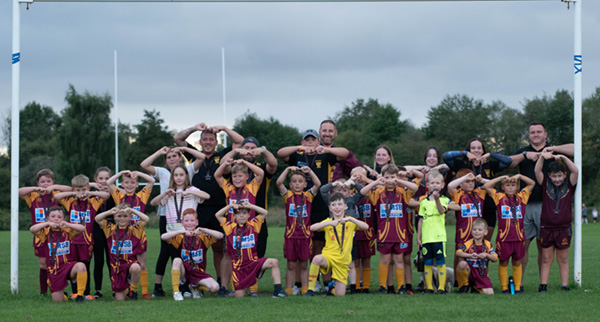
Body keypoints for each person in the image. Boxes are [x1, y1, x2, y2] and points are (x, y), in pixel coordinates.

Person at [277, 129, 349, 291]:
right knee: (297, 247)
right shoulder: (297, 155)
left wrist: (325, 149)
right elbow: (281, 153)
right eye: (306, 140)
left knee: (320, 244)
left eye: (313, 140)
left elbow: (345, 153)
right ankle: (298, 284)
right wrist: (298, 148)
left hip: (319, 204)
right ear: (302, 142)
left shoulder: (324, 154)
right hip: (299, 204)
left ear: (318, 141)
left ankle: (324, 282)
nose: (310, 143)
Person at [174, 123, 244, 287]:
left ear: (216, 142)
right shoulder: (194, 156)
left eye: (211, 139)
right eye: (204, 139)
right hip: (199, 208)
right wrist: (194, 128)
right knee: (196, 246)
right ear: (200, 141)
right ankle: (194, 280)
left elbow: (239, 142)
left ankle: (220, 281)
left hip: (220, 208)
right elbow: (178, 138)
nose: (207, 142)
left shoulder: (222, 155)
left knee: (220, 248)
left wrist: (225, 129)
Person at [509, 122, 574, 289]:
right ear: (529, 135)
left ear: (545, 134)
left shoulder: (553, 150)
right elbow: (508, 163)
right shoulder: (523, 152)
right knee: (522, 246)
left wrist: (552, 150)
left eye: (539, 132)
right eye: (532, 132)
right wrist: (525, 155)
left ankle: (542, 283)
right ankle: (519, 283)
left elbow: (575, 149)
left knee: (543, 248)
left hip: (547, 207)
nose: (536, 135)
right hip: (524, 205)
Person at [140, 145, 205, 297]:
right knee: (165, 251)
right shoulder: (162, 172)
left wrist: (184, 148)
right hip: (167, 216)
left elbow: (201, 157)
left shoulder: (187, 169)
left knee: (185, 252)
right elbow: (144, 165)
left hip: (185, 218)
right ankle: (158, 287)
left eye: (175, 155)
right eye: (168, 157)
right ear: (166, 160)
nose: (172, 158)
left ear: (180, 157)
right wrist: (158, 151)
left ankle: (186, 285)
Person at [360, 164, 418, 294]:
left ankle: (401, 286)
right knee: (385, 260)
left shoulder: (402, 192)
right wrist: (377, 181)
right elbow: (363, 192)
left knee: (398, 259)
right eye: (387, 177)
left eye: (392, 177)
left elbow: (415, 187)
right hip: (384, 233)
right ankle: (382, 286)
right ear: (383, 178)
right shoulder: (379, 193)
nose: (390, 180)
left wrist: (398, 181)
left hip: (399, 233)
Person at [443, 138, 514, 241]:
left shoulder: (489, 165)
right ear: (469, 150)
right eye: (473, 148)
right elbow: (446, 156)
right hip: (469, 212)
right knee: (465, 244)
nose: (476, 150)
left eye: (479, 148)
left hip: (488, 209)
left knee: (485, 244)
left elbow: (508, 161)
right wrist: (464, 153)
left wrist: (490, 155)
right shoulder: (462, 165)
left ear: (483, 150)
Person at [215, 202, 288, 298]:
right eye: (238, 213)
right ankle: (233, 293)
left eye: (244, 213)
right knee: (240, 296)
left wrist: (250, 206)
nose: (241, 215)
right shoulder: (229, 227)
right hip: (239, 268)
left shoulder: (254, 225)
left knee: (274, 262)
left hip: (253, 263)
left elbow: (264, 213)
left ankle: (278, 291)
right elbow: (218, 215)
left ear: (249, 215)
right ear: (234, 215)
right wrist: (231, 206)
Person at [214, 157, 264, 296]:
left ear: (247, 177)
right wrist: (226, 164)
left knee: (250, 258)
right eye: (234, 176)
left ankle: (251, 289)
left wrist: (245, 163)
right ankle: (226, 287)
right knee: (230, 256)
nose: (236, 179)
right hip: (232, 230)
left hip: (249, 230)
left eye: (240, 176)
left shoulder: (252, 187)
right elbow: (217, 175)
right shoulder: (228, 187)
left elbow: (260, 173)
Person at [55, 174, 110, 299]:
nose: (81, 193)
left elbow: (106, 195)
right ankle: (75, 292)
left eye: (83, 189)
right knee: (73, 266)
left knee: (85, 266)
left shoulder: (93, 201)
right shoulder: (70, 201)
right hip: (72, 240)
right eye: (78, 190)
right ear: (74, 190)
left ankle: (86, 292)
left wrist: (89, 193)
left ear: (88, 188)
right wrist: (74, 194)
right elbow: (57, 196)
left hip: (86, 241)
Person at [222, 136, 278, 258]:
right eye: (246, 148)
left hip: (257, 220)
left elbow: (273, 164)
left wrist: (263, 150)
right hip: (234, 220)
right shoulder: (234, 167)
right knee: (228, 256)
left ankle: (253, 278)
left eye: (253, 148)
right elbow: (222, 164)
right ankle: (224, 278)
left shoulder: (262, 167)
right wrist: (236, 151)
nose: (249, 150)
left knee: (256, 256)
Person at [19, 169, 72, 296]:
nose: (45, 184)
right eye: (42, 181)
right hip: (40, 235)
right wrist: (36, 189)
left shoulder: (57, 194)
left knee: (58, 263)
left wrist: (53, 187)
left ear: (53, 182)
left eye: (48, 181)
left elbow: (70, 189)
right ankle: (43, 291)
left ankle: (58, 289)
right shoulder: (33, 195)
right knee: (43, 265)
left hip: (57, 236)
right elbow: (19, 192)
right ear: (38, 182)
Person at [305, 192, 369, 296]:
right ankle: (310, 290)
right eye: (333, 205)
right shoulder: (328, 222)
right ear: (330, 208)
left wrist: (350, 218)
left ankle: (331, 289)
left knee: (339, 295)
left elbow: (365, 227)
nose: (337, 207)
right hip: (329, 256)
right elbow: (312, 228)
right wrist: (328, 223)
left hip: (343, 262)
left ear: (345, 206)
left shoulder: (350, 222)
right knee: (316, 259)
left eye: (339, 204)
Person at [107, 170, 155, 299]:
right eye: (126, 182)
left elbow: (152, 181)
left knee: (142, 264)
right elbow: (109, 183)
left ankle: (144, 291)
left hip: (138, 235)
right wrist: (121, 172)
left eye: (132, 182)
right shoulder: (119, 196)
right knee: (123, 262)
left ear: (137, 184)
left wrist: (138, 173)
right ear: (122, 184)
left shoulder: (142, 196)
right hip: (123, 234)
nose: (129, 185)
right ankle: (124, 287)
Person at [483, 174, 535, 294]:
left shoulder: (522, 197)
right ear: (502, 187)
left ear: (517, 187)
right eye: (507, 185)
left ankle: (517, 288)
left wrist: (521, 176)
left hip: (519, 237)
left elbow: (532, 183)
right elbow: (487, 185)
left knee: (517, 262)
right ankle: (504, 288)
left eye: (513, 185)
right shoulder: (499, 197)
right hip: (504, 238)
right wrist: (502, 178)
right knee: (503, 262)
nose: (510, 188)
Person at [535, 153, 578, 292]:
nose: (557, 179)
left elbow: (575, 171)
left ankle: (564, 285)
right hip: (546, 227)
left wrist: (563, 158)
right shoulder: (545, 184)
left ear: (565, 174)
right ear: (549, 176)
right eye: (554, 176)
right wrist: (542, 157)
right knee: (547, 258)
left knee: (563, 258)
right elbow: (537, 171)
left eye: (559, 176)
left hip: (564, 228)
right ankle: (543, 285)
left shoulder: (570, 185)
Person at [275, 166, 321, 295]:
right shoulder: (288, 195)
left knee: (304, 264)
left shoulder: (308, 196)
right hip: (291, 236)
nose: (297, 184)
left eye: (300, 181)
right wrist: (287, 169)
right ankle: (289, 289)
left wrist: (310, 171)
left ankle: (305, 288)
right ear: (290, 184)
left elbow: (318, 183)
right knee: (291, 264)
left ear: (305, 184)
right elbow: (278, 183)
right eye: (294, 181)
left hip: (305, 236)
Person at [161, 209, 223, 301]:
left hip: (198, 272)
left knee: (215, 288)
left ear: (197, 222)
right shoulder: (180, 237)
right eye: (186, 221)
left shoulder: (202, 237)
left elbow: (220, 235)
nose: (189, 223)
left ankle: (194, 287)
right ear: (182, 223)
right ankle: (176, 292)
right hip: (184, 272)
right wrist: (180, 231)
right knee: (176, 260)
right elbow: (163, 237)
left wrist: (203, 229)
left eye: (192, 220)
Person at [30, 206, 87, 302]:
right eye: (53, 216)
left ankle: (80, 296)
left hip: (67, 265)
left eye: (59, 217)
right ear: (48, 218)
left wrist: (67, 224)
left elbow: (82, 228)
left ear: (63, 219)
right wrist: (48, 224)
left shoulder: (67, 230)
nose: (56, 219)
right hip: (54, 269)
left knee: (81, 266)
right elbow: (32, 229)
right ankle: (64, 296)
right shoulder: (45, 232)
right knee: (58, 301)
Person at [320, 174, 364, 294]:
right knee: (334, 261)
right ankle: (333, 284)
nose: (341, 193)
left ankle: (354, 287)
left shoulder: (351, 199)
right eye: (338, 190)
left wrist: (352, 183)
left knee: (351, 262)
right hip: (334, 236)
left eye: (344, 190)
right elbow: (322, 190)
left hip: (349, 236)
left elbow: (362, 191)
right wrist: (334, 184)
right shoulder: (331, 200)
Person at [95, 203, 149, 300]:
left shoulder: (134, 230)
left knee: (136, 267)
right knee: (120, 299)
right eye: (119, 216)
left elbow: (146, 219)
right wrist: (110, 212)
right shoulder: (110, 229)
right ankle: (126, 290)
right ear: (115, 217)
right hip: (116, 267)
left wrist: (132, 210)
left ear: (130, 218)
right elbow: (97, 219)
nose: (122, 219)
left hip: (130, 264)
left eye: (125, 216)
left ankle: (133, 291)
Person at [417, 171, 457, 294]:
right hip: (427, 238)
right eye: (432, 183)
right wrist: (419, 237)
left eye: (437, 183)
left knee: (440, 262)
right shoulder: (423, 202)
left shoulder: (444, 200)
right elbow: (421, 220)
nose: (435, 185)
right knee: (427, 263)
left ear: (442, 185)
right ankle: (428, 287)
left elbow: (441, 212)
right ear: (427, 185)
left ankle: (441, 287)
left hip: (439, 237)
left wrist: (437, 200)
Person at [447, 169, 488, 277]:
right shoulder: (458, 193)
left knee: (477, 256)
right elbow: (450, 186)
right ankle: (461, 283)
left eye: (472, 181)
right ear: (461, 183)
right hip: (463, 233)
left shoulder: (479, 193)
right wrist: (464, 178)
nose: (471, 183)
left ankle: (475, 281)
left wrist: (481, 179)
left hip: (477, 232)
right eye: (467, 181)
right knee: (462, 257)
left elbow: (491, 185)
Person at [150, 164, 210, 233]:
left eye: (181, 175)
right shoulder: (169, 192)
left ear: (186, 176)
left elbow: (207, 196)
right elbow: (153, 203)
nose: (178, 178)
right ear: (173, 177)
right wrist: (164, 193)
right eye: (176, 175)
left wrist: (189, 192)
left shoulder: (192, 190)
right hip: (172, 232)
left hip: (189, 230)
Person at [90, 166, 117, 299]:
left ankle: (115, 289)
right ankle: (98, 290)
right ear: (96, 179)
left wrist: (110, 185)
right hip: (96, 230)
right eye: (101, 178)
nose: (104, 181)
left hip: (112, 230)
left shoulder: (115, 194)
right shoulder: (91, 194)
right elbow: (76, 186)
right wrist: (92, 185)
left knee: (112, 260)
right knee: (98, 260)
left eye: (107, 178)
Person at [349, 167, 375, 293]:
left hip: (368, 232)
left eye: (361, 177)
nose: (359, 179)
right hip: (353, 232)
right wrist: (351, 181)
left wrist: (366, 180)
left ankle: (366, 286)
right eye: (356, 176)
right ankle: (357, 285)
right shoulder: (349, 193)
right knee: (355, 260)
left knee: (366, 259)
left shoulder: (372, 192)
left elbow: (380, 184)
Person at [455, 218, 498, 295]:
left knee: (490, 293)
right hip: (470, 271)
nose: (477, 231)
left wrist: (487, 255)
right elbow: (458, 252)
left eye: (479, 230)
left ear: (485, 232)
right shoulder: (468, 243)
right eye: (474, 229)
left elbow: (495, 258)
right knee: (462, 264)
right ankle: (464, 286)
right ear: (471, 232)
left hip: (481, 272)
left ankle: (476, 287)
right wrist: (469, 255)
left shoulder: (488, 244)